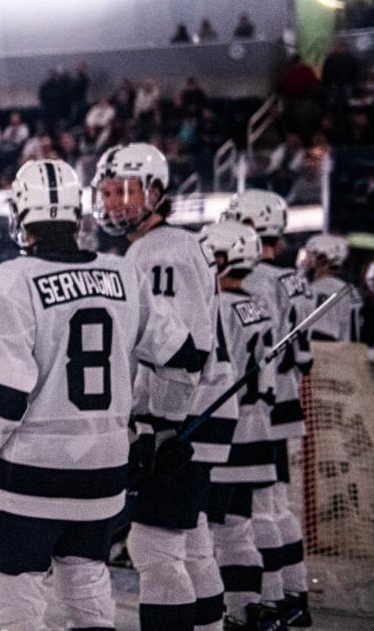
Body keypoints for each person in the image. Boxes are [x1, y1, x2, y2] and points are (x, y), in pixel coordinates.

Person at [0, 159, 200, 631]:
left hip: (31, 472)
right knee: (86, 584)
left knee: (15, 592)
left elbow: (3, 396)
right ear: (78, 211)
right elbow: (183, 354)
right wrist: (153, 425)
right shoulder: (124, 274)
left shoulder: (11, 279)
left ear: (21, 214)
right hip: (104, 471)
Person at [93, 144, 220, 631]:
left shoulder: (162, 251)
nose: (113, 203)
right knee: (191, 544)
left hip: (172, 425)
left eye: (124, 191)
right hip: (179, 421)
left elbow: (181, 353)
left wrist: (161, 428)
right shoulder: (158, 247)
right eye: (106, 192)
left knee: (154, 547)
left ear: (157, 192)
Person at [221, 190, 315, 626]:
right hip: (284, 397)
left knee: (259, 510)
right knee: (277, 504)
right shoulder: (293, 279)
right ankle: (293, 593)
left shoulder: (255, 280)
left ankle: (274, 598)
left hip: (260, 406)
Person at [198, 222, 286, 631]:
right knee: (238, 527)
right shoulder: (258, 305)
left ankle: (216, 615)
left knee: (206, 533)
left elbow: (213, 371)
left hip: (226, 433)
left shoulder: (216, 306)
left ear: (220, 257)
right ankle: (251, 606)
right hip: (258, 429)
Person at [302, 234, 366, 358]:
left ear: (323, 259)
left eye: (310, 255)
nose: (306, 260)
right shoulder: (350, 288)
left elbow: (322, 336)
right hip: (350, 360)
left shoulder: (323, 289)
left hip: (331, 363)